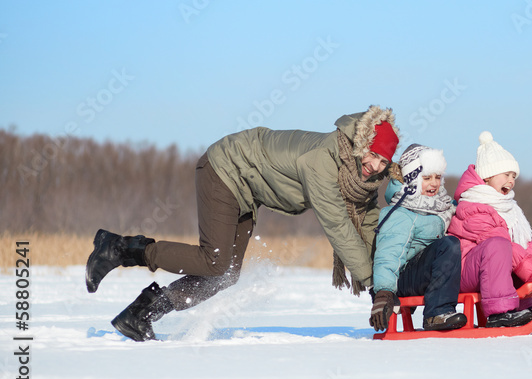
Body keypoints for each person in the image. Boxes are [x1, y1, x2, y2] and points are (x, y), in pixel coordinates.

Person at [85, 105, 400, 342]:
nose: (374, 167)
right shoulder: (323, 161)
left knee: (226, 274)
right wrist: (373, 283)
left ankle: (141, 314)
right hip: (225, 169)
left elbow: (369, 219)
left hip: (246, 188)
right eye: (372, 156)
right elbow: (338, 226)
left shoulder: (356, 175)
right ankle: (121, 248)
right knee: (214, 260)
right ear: (360, 146)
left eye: (383, 162)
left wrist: (383, 275)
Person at [447, 131, 532, 327]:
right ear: (487, 176)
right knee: (500, 246)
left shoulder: (507, 208)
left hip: (487, 269)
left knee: (520, 241)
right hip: (464, 272)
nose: (511, 180)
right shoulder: (473, 206)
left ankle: (519, 307)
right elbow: (504, 246)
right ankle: (499, 313)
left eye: (514, 176)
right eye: (506, 174)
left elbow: (522, 244)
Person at [369, 144, 467, 332]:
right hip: (402, 278)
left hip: (427, 272)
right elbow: (389, 253)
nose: (434, 183)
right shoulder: (400, 213)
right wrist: (383, 292)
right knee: (448, 245)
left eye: (438, 177)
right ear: (412, 179)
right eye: (427, 178)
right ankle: (436, 314)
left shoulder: (442, 207)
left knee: (453, 246)